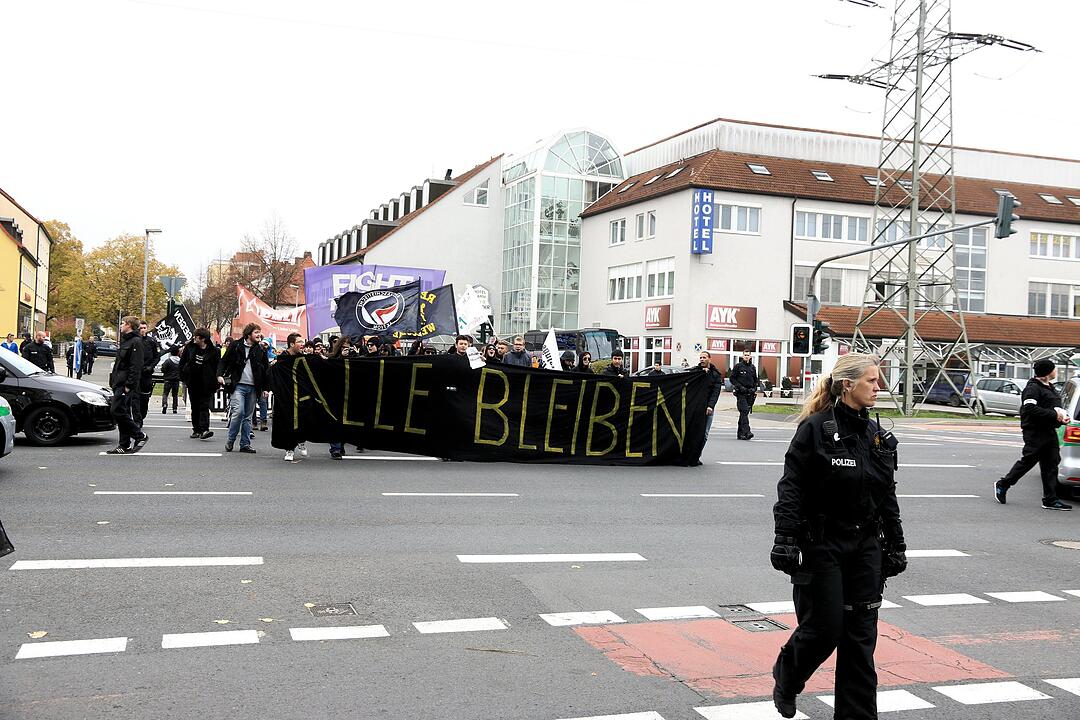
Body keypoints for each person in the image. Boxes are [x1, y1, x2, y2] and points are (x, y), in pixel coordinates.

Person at [770, 353, 906, 720]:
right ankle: (787, 676)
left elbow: (886, 496)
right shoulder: (815, 429)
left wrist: (896, 544)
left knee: (860, 643)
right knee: (825, 628)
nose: (879, 388)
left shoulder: (877, 436)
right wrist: (785, 538)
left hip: (865, 547)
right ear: (848, 384)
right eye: (872, 381)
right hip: (823, 544)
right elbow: (792, 487)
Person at [996, 359, 1072, 510]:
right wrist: (1053, 415)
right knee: (1029, 460)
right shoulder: (1033, 388)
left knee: (1051, 463)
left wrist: (1062, 417)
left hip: (1049, 431)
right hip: (1035, 432)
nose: (1055, 371)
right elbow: (1029, 409)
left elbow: (1053, 407)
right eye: (1054, 369)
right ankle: (1003, 484)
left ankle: (1050, 499)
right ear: (1047, 372)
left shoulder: (1050, 387)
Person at [217, 322, 270, 453]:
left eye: (260, 332)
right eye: (256, 332)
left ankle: (245, 444)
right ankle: (230, 440)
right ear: (249, 334)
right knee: (238, 412)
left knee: (248, 417)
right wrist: (219, 375)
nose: (259, 335)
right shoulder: (236, 345)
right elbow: (223, 361)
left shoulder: (260, 350)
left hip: (253, 387)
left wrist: (266, 388)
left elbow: (266, 370)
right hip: (238, 386)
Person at [106, 316, 149, 454]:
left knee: (116, 411)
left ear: (129, 325)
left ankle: (140, 435)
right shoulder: (126, 341)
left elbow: (136, 366)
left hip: (126, 384)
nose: (120, 325)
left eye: (123, 323)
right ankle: (124, 445)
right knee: (122, 412)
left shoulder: (135, 342)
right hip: (119, 382)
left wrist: (129, 385)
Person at [179, 328, 220, 439]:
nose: (194, 338)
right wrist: (183, 377)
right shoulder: (190, 348)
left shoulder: (214, 351)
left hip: (207, 383)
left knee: (204, 406)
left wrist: (217, 381)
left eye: (196, 337)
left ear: (203, 339)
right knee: (195, 406)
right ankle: (196, 429)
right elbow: (182, 363)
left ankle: (205, 429)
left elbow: (217, 368)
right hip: (193, 381)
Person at [278, 332, 308, 462]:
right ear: (292, 344)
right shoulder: (283, 358)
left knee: (302, 420)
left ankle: (301, 441)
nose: (302, 344)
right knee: (288, 422)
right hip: (286, 395)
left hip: (301, 395)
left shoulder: (303, 357)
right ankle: (289, 449)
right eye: (299, 342)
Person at [136, 321, 160, 427]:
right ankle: (137, 420)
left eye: (144, 328)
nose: (142, 330)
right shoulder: (134, 341)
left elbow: (157, 356)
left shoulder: (151, 341)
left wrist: (151, 366)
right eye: (140, 328)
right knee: (135, 397)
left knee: (144, 397)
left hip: (147, 374)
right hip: (136, 373)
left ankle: (142, 414)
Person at [731, 350, 758, 440]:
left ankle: (740, 434)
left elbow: (755, 380)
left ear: (750, 357)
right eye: (745, 355)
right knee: (744, 410)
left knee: (743, 413)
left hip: (750, 393)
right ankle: (747, 431)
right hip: (741, 393)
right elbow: (732, 379)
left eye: (748, 355)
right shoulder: (738, 366)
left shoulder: (753, 368)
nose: (746, 356)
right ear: (743, 356)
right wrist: (739, 386)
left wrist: (754, 389)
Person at [698, 352, 723, 447]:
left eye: (704, 357)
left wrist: (710, 406)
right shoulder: (695, 372)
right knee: (694, 433)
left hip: (708, 407)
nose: (702, 359)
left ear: (709, 359)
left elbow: (715, 392)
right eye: (700, 357)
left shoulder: (715, 374)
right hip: (696, 407)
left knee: (704, 434)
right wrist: (701, 373)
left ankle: (698, 455)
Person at [160, 346, 181, 414]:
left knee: (165, 393)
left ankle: (165, 404)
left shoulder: (168, 361)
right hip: (176, 380)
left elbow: (163, 369)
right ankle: (174, 408)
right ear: (178, 353)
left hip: (168, 379)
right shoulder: (180, 361)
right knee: (175, 395)